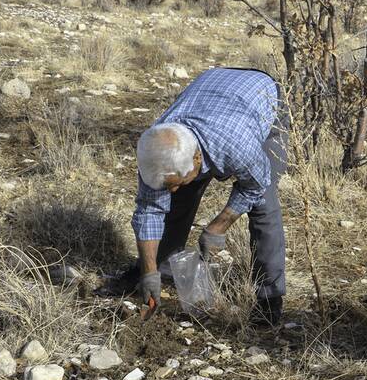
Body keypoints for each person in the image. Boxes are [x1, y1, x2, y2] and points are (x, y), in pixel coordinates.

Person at [123, 67, 288, 325]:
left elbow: (255, 186)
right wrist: (148, 272)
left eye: (177, 182)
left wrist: (218, 226)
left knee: (263, 206)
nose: (171, 190)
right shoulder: (157, 147)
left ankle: (269, 297)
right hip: (213, 85)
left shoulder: (238, 147)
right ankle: (162, 271)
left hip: (263, 97)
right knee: (178, 197)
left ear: (198, 158)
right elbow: (148, 211)